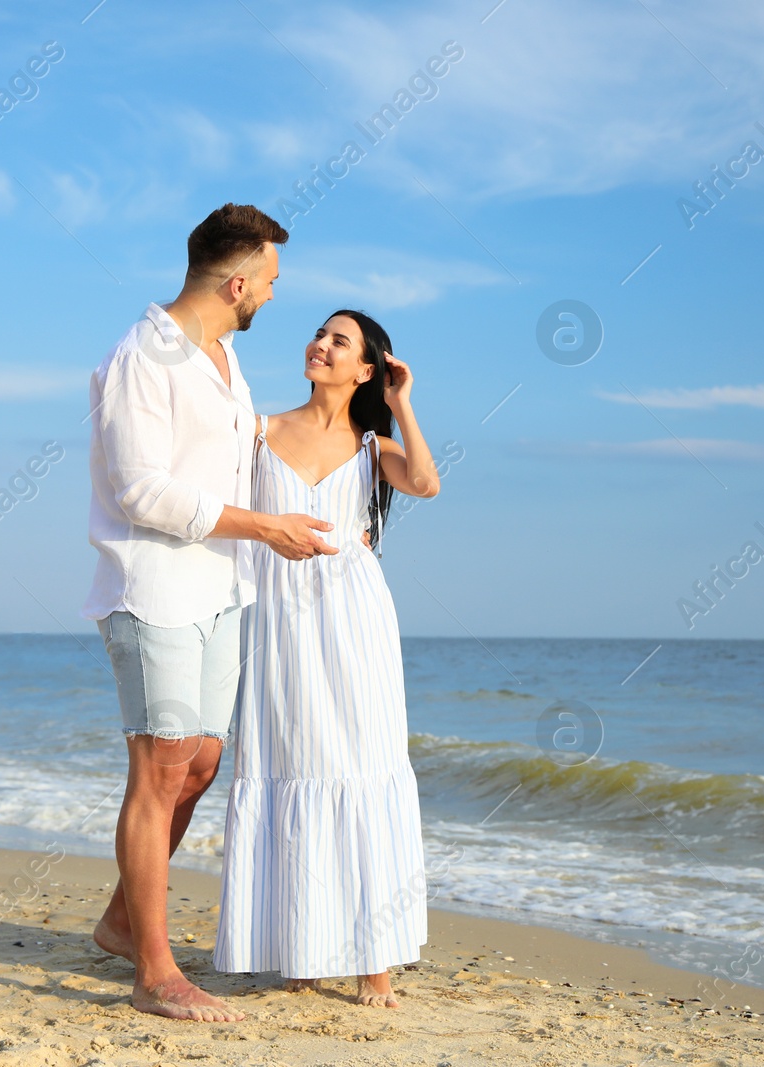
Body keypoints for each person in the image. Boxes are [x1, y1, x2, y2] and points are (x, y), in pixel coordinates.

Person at [84, 204, 340, 1023]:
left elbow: (248, 451)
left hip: (224, 589)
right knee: (159, 768)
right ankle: (155, 972)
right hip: (151, 586)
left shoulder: (226, 358)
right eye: (270, 280)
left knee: (199, 763)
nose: (271, 293)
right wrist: (265, 526)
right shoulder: (140, 357)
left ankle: (125, 920)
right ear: (237, 282)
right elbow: (140, 490)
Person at [213, 309, 441, 1008]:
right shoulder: (258, 429)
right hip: (277, 617)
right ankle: (298, 947)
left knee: (362, 764)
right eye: (320, 333)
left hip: (355, 620)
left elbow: (427, 482)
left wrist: (402, 400)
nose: (320, 344)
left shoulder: (374, 446)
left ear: (365, 368)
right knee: (287, 762)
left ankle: (376, 960)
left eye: (340, 341)